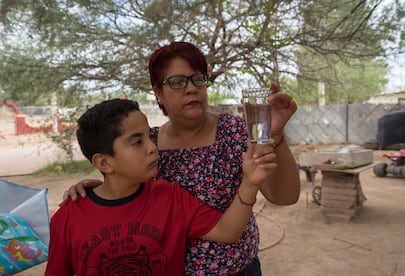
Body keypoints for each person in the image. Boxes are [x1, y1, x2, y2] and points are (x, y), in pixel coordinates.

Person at [63, 41, 300, 275]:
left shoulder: (235, 131)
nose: (191, 88)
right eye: (176, 82)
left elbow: (285, 196)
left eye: (198, 78)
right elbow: (121, 195)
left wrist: (276, 136)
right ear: (158, 93)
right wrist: (92, 192)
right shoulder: (148, 145)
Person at [45, 98, 277, 276]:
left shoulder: (171, 198)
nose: (152, 147)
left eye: (149, 136)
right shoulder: (68, 217)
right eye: (137, 142)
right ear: (104, 162)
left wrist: (250, 182)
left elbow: (228, 231)